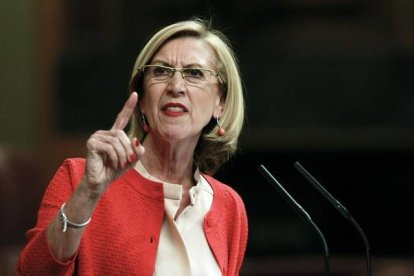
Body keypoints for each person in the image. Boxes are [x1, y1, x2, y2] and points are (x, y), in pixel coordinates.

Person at [16, 18, 247, 276]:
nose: (175, 87)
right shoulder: (78, 179)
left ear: (221, 103)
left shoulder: (229, 207)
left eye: (194, 73)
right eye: (160, 71)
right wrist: (88, 195)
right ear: (142, 100)